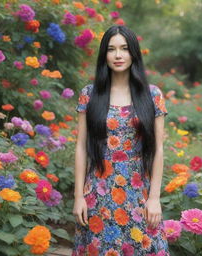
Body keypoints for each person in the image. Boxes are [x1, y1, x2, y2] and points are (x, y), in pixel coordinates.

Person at [72, 25, 170, 256]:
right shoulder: (90, 93)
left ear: (133, 52)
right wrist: (78, 197)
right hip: (98, 191)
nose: (118, 55)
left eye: (124, 49)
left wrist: (154, 198)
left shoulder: (152, 95)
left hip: (139, 191)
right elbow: (81, 148)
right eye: (111, 49)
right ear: (103, 54)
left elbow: (158, 149)